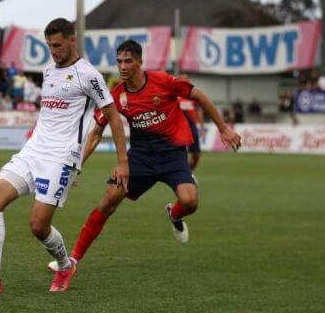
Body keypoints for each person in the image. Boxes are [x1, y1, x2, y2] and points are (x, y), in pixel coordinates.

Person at [0, 18, 129, 295]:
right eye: (49, 46)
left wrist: (122, 162)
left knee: (38, 226)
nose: (53, 51)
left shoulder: (89, 75)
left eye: (58, 45)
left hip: (60, 158)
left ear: (72, 40)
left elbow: (113, 118)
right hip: (33, 151)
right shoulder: (48, 71)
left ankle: (64, 266)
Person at [47, 39, 241, 271]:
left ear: (140, 61)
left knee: (190, 202)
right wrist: (75, 166)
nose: (123, 66)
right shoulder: (116, 95)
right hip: (139, 157)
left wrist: (223, 128)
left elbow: (199, 96)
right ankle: (73, 260)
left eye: (128, 61)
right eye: (119, 61)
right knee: (109, 201)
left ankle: (175, 214)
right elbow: (96, 133)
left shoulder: (163, 81)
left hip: (173, 155)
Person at [178, 91, 205, 172]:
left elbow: (199, 111)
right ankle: (183, 173)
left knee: (196, 154)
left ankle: (190, 172)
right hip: (178, 128)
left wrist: (202, 127)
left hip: (192, 127)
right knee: (180, 154)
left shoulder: (192, 97)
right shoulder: (175, 97)